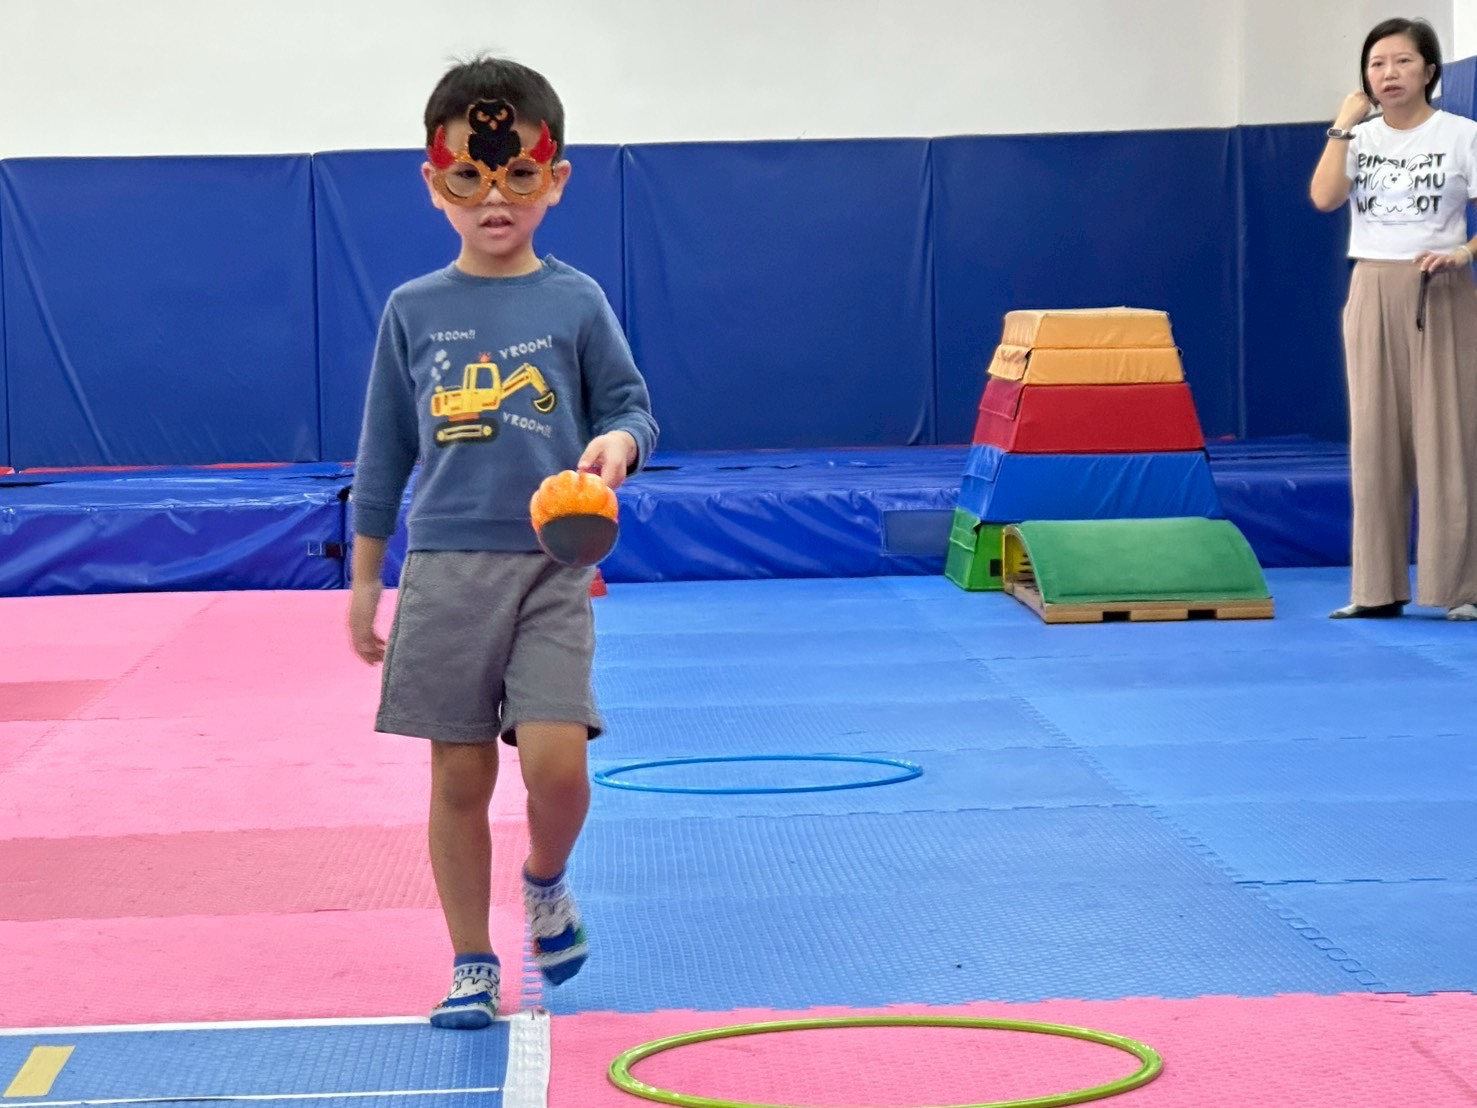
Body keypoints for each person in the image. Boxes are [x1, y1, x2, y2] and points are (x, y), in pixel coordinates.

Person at [347, 56, 658, 1028]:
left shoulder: (574, 301)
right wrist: (366, 579)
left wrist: (619, 444)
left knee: (557, 764)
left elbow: (630, 407)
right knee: (460, 773)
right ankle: (471, 961)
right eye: (468, 176)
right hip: (444, 569)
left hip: (552, 567)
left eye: (519, 174)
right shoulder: (413, 309)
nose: (494, 196)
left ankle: (545, 878)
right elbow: (383, 451)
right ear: (433, 182)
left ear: (554, 180)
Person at [1310, 17, 1477, 621]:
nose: (1389, 74)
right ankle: (1376, 587)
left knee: (1447, 436)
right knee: (1374, 438)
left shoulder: (1461, 134)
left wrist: (1464, 252)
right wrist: (1342, 124)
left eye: (1402, 61)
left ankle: (1460, 587)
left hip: (1441, 284)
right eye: (1377, 63)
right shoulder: (1359, 138)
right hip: (1372, 283)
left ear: (1429, 70)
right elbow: (1324, 197)